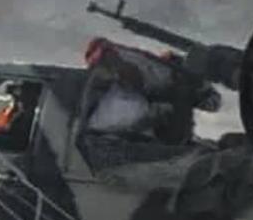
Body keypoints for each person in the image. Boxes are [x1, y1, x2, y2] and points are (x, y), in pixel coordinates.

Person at [79, 37, 219, 146]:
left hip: (168, 138)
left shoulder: (172, 74)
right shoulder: (115, 95)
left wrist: (197, 86)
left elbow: (213, 103)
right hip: (129, 137)